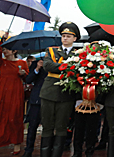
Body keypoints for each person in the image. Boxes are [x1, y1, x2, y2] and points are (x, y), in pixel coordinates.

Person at [0, 33, 29, 154]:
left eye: (7, 49)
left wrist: (24, 74)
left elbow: (27, 78)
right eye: (4, 49)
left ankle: (17, 144)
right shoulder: (2, 62)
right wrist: (2, 40)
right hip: (2, 91)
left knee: (15, 117)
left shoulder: (22, 63)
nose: (4, 51)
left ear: (14, 50)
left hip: (16, 92)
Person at [39, 21, 80, 157]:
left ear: (74, 38)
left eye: (69, 36)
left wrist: (61, 65)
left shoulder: (79, 54)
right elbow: (48, 66)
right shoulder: (51, 50)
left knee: (61, 127)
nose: (65, 38)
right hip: (49, 92)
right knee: (47, 126)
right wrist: (68, 66)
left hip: (66, 94)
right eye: (63, 35)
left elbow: (79, 71)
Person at [23, 58, 47, 157]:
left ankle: (45, 150)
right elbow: (28, 79)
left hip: (49, 98)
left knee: (48, 127)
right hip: (36, 99)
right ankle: (28, 150)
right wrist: (37, 68)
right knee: (32, 126)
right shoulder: (36, 63)